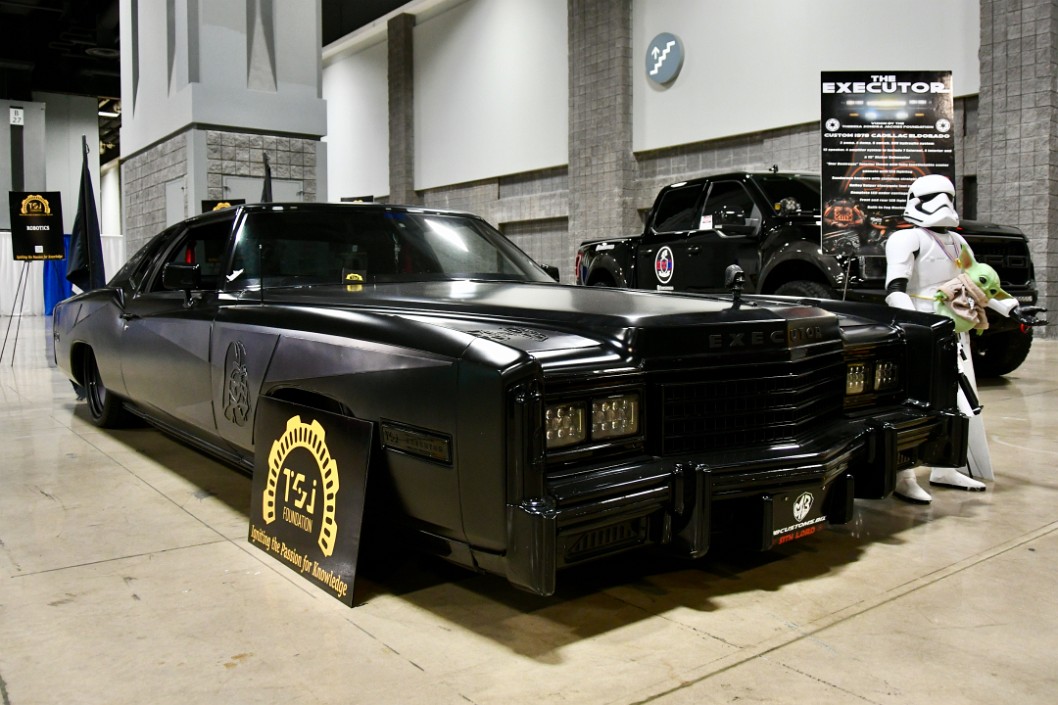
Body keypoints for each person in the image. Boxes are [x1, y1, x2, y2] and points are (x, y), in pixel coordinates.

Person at [884, 174, 1046, 503]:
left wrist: (1013, 309)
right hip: (922, 330)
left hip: (955, 330)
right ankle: (904, 475)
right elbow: (894, 291)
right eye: (933, 197)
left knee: (962, 403)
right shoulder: (906, 240)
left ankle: (947, 465)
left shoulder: (957, 243)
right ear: (915, 200)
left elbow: (979, 281)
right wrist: (915, 327)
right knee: (916, 403)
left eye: (948, 196)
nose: (942, 203)